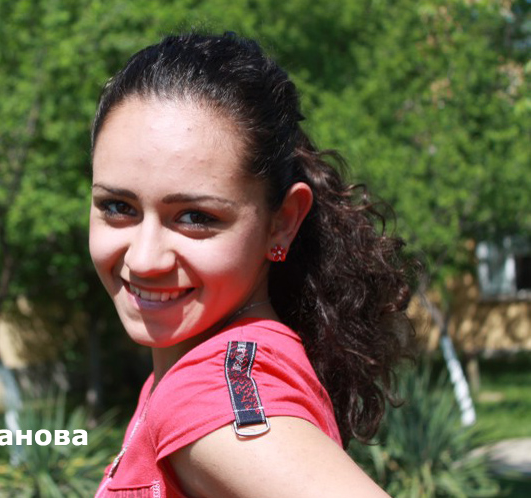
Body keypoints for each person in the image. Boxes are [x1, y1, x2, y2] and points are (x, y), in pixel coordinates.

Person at [88, 32, 415, 498]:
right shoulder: (187, 373)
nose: (143, 259)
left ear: (282, 223)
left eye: (196, 217)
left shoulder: (207, 399)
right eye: (118, 207)